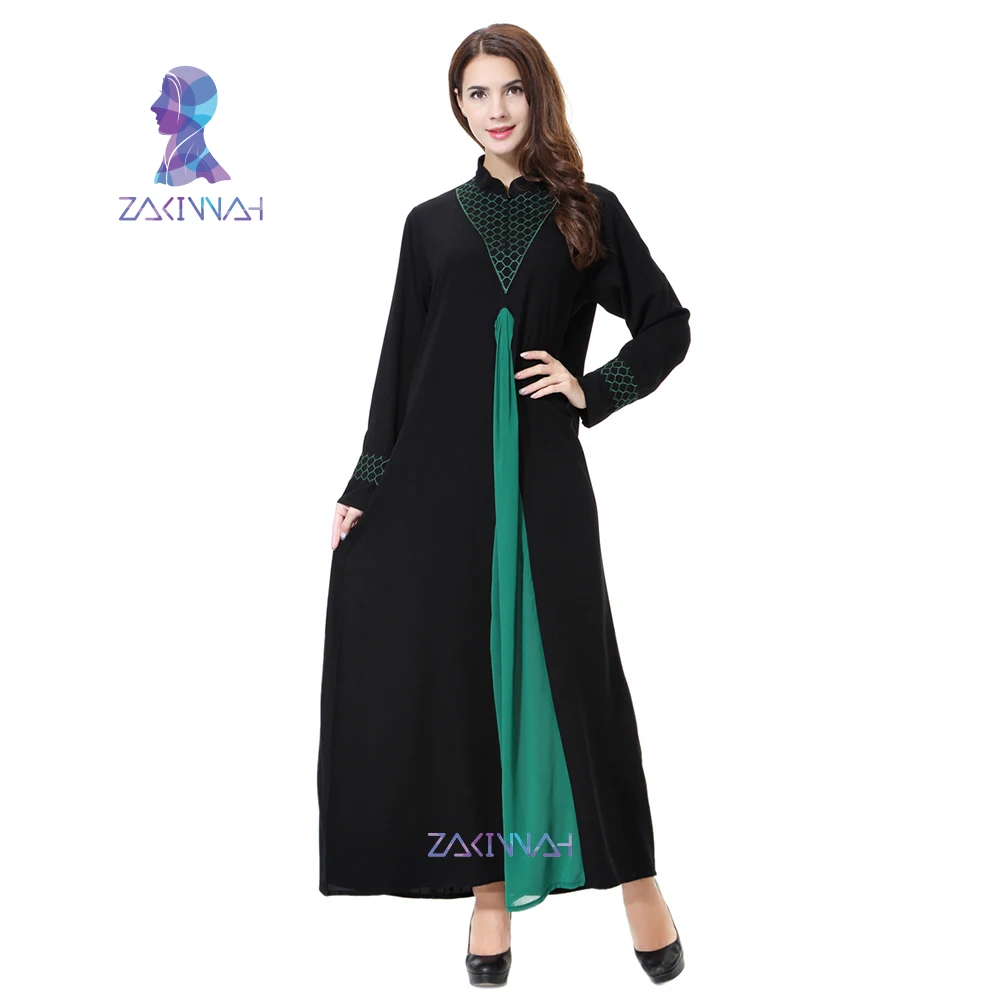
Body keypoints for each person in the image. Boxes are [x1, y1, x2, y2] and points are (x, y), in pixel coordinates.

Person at [317, 23, 691, 987]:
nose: (496, 109)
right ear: (458, 105)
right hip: (439, 489)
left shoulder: (587, 211)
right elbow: (400, 366)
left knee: (578, 674)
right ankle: (487, 894)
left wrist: (591, 390)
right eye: (477, 93)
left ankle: (638, 882)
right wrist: (366, 485)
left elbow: (667, 326)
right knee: (460, 681)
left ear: (538, 95)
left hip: (544, 477)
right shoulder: (429, 224)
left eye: (511, 89)